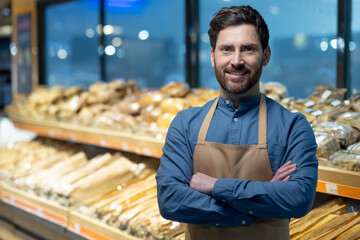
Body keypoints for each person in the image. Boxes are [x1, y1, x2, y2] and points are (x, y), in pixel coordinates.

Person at [156, 5, 318, 240]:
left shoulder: (293, 127)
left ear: (266, 55)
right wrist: (256, 206)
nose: (236, 60)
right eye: (226, 49)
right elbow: (170, 201)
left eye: (248, 49)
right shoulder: (185, 124)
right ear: (213, 56)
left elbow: (298, 199)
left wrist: (214, 186)